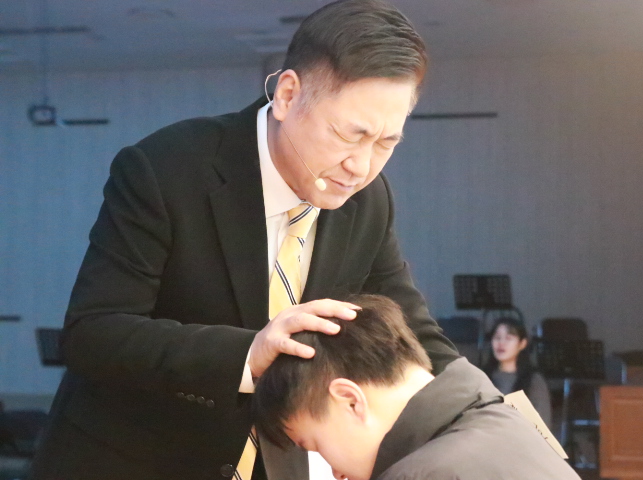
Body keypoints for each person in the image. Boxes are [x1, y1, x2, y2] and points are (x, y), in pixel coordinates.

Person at [29, 2, 460, 480]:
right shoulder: (167, 169)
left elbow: (413, 330)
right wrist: (249, 354)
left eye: (385, 143)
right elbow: (93, 333)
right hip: (133, 462)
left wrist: (492, 415)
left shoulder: (367, 199)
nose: (361, 167)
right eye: (348, 135)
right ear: (289, 95)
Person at [253, 294, 580, 480]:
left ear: (350, 400)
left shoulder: (418, 476)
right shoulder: (510, 425)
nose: (335, 474)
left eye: (314, 446)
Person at [482, 317, 552, 426]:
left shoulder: (533, 381)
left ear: (522, 344)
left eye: (508, 338)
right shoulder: (481, 377)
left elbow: (542, 424)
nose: (501, 343)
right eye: (497, 337)